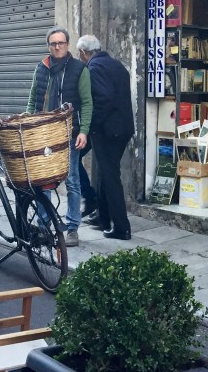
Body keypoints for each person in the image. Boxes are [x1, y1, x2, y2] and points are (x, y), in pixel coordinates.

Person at [27, 27, 93, 247]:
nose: (57, 47)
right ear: (49, 46)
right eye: (53, 43)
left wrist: (83, 130)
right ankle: (43, 225)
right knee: (44, 182)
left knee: (72, 181)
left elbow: (86, 103)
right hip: (44, 135)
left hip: (69, 133)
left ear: (67, 45)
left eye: (61, 43)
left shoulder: (79, 69)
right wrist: (29, 125)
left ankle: (72, 228)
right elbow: (32, 101)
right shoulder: (41, 69)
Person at [75, 34, 134, 240]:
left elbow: (104, 98)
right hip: (122, 129)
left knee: (110, 178)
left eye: (79, 53)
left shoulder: (94, 68)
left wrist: (91, 125)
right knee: (103, 173)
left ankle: (121, 228)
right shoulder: (117, 65)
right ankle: (102, 216)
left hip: (107, 130)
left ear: (84, 52)